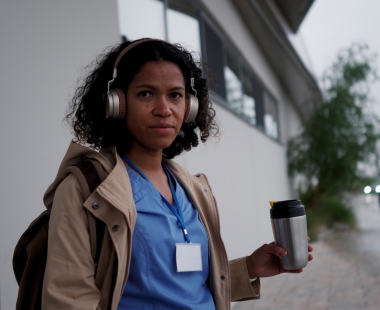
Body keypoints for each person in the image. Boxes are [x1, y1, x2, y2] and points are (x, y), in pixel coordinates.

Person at [41, 38, 313, 309]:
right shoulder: (85, 188)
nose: (164, 110)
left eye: (175, 95)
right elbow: (68, 300)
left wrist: (250, 267)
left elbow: (187, 284)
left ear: (189, 106)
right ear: (117, 103)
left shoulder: (192, 187)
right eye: (146, 93)